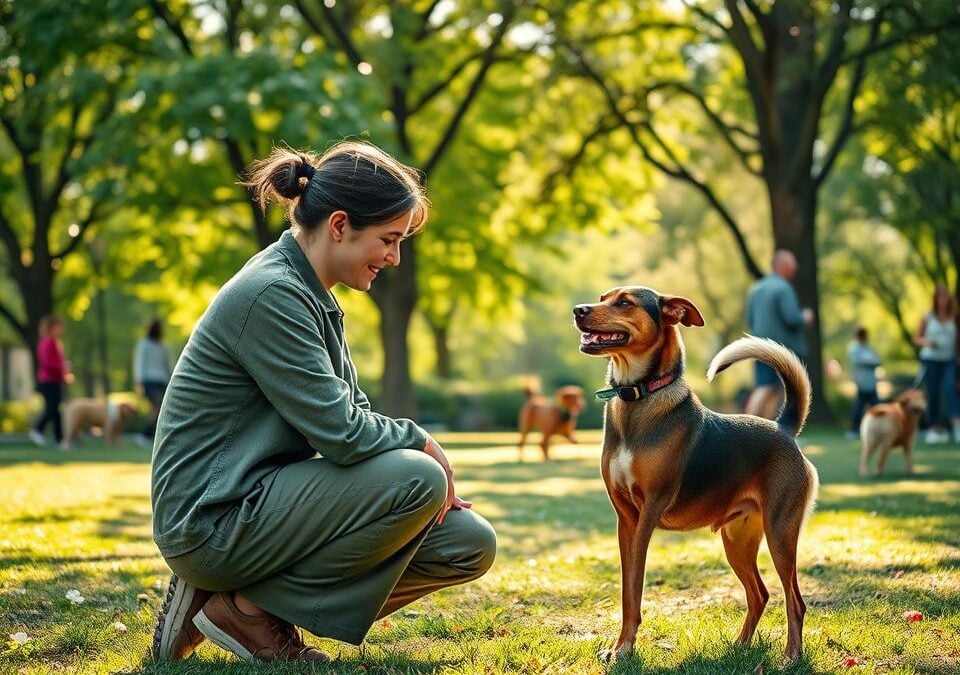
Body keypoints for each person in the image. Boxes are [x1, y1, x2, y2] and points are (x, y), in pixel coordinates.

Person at [150, 141, 496, 664]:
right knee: (416, 479)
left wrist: (408, 448)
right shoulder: (272, 293)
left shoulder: (313, 294)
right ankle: (240, 611)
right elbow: (343, 434)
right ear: (339, 225)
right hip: (211, 520)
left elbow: (352, 413)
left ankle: (246, 607)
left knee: (467, 542)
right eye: (389, 239)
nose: (395, 258)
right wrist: (420, 440)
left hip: (261, 505)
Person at [744, 249, 814, 423]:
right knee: (782, 390)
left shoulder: (756, 288)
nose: (796, 267)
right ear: (782, 265)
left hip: (759, 345)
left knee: (766, 387)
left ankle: (764, 433)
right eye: (793, 263)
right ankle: (746, 427)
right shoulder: (783, 288)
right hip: (783, 348)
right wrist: (805, 316)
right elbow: (792, 318)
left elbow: (749, 319)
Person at [913, 283, 960, 444]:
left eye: (945, 297)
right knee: (932, 393)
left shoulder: (955, 315)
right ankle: (934, 429)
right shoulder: (928, 316)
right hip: (930, 359)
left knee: (950, 390)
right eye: (939, 297)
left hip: (949, 360)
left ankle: (957, 427)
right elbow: (917, 338)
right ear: (935, 299)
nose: (942, 300)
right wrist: (928, 342)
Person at [29, 315, 72, 447]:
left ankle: (60, 438)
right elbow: (48, 363)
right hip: (49, 380)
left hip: (55, 379)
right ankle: (38, 429)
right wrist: (62, 369)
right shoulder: (47, 342)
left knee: (55, 410)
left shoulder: (54, 342)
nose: (61, 329)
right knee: (53, 408)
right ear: (51, 327)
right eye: (58, 327)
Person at [134, 319, 172, 447]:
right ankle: (145, 434)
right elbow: (140, 363)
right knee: (157, 407)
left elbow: (168, 364)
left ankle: (152, 436)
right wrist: (139, 381)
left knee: (158, 408)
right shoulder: (143, 344)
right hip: (149, 381)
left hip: (161, 381)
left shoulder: (164, 346)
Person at [846, 326, 881, 440]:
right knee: (859, 406)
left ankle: (878, 428)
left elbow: (877, 361)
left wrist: (869, 361)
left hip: (871, 381)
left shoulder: (869, 348)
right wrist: (869, 361)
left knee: (875, 405)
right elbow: (858, 361)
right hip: (862, 381)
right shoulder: (854, 348)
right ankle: (854, 429)